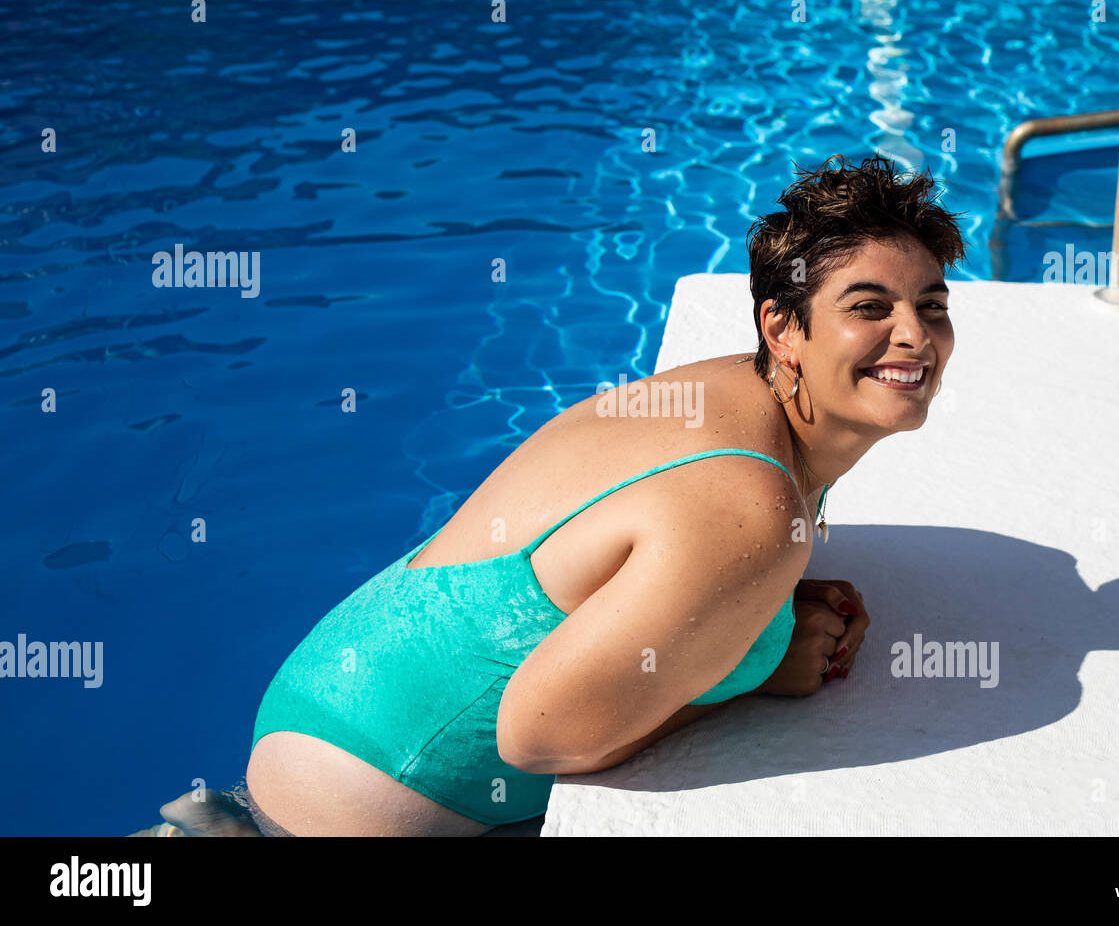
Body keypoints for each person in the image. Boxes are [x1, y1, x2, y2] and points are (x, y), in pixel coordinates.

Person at [137, 152, 965, 836]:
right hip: (355, 808)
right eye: (870, 306)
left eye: (931, 305)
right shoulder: (752, 506)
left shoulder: (728, 393)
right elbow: (540, 736)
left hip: (322, 721)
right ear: (782, 327)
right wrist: (756, 671)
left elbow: (660, 556)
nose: (914, 335)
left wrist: (747, 613)